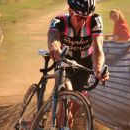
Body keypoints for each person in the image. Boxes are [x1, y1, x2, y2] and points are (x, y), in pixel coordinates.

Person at [47, 0, 109, 129]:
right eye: (80, 17)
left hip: (84, 65)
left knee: (71, 112)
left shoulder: (95, 20)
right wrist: (54, 47)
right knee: (67, 102)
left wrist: (98, 68)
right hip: (65, 62)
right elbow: (53, 37)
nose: (84, 21)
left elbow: (98, 48)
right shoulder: (59, 20)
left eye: (87, 17)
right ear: (70, 11)